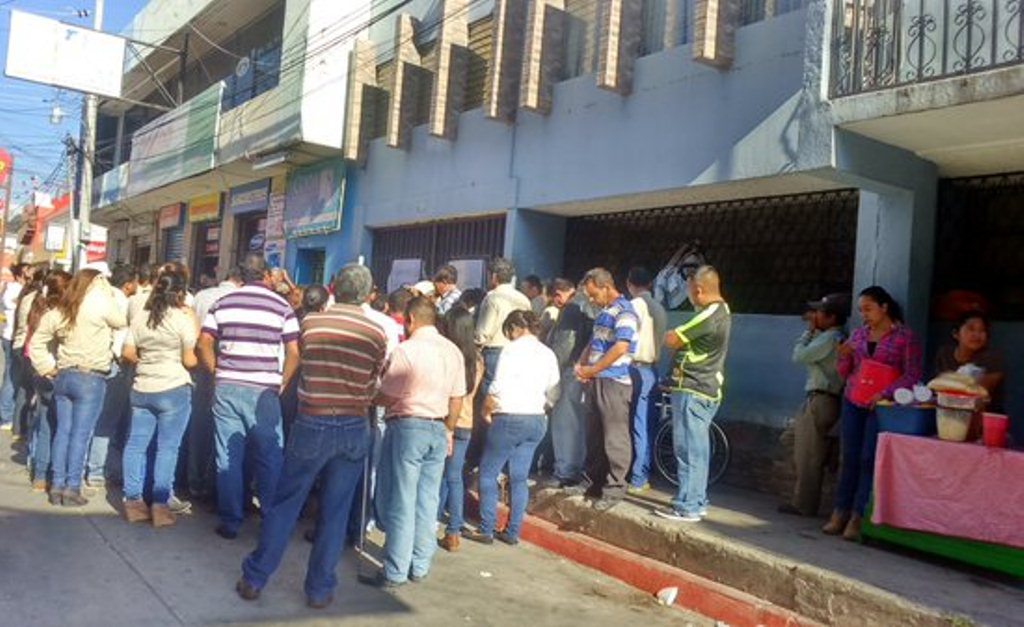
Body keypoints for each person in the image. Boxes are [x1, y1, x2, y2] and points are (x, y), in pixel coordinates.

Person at [236, 264, 387, 608]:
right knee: (335, 511)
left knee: (286, 504)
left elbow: (302, 361)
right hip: (353, 424)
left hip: (312, 420)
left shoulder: (312, 324)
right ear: (366, 295)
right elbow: (373, 381)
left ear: (335, 288)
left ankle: (255, 578)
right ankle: (319, 589)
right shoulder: (376, 333)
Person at [362, 296, 466, 589]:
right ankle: (419, 564)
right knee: (427, 500)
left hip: (408, 427)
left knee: (402, 501)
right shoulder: (453, 351)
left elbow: (389, 395)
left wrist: (369, 398)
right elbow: (457, 398)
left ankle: (395, 570)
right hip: (438, 427)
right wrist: (448, 429)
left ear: (410, 320)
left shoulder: (406, 350)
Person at [197, 253, 300, 539]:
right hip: (265, 390)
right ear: (265, 275)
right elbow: (294, 352)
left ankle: (231, 522)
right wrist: (282, 382)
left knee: (228, 456)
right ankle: (270, 521)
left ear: (242, 275)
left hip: (228, 386)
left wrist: (216, 372)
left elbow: (204, 343)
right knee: (269, 456)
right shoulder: (282, 306)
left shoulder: (224, 303)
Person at [824, 286, 921, 541]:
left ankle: (859, 515)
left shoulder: (905, 337)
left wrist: (886, 393)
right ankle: (840, 511)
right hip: (854, 399)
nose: (864, 315)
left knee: (869, 458)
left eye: (868, 309)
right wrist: (843, 356)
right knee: (850, 457)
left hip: (882, 406)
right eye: (861, 310)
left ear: (884, 307)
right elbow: (846, 372)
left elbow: (912, 374)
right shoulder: (858, 335)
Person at [28, 269, 127, 506]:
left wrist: (47, 367)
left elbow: (37, 342)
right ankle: (72, 487)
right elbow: (121, 320)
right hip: (91, 376)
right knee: (80, 435)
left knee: (63, 431)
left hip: (64, 375)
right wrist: (104, 290)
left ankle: (57, 485)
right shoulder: (99, 303)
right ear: (95, 283)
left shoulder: (62, 309)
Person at [466, 310, 559, 546]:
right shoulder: (548, 353)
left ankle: (486, 528)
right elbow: (554, 390)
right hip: (536, 418)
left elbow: (497, 386)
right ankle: (512, 531)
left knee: (488, 472)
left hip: (509, 416)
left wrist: (485, 411)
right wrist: (543, 407)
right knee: (519, 477)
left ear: (516, 328)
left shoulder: (510, 350)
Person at [120, 266, 198, 527]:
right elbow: (190, 360)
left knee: (135, 445)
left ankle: (133, 503)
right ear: (180, 293)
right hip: (173, 387)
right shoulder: (181, 319)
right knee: (168, 448)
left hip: (142, 387)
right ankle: (160, 507)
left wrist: (147, 361)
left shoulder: (141, 317)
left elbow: (127, 352)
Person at [655, 266, 732, 523]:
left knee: (688, 449)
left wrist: (669, 335)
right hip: (702, 388)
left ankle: (688, 505)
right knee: (696, 448)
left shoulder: (709, 314)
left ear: (699, 290)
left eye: (688, 290)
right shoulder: (721, 312)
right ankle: (696, 501)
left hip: (694, 388)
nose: (687, 296)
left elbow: (673, 339)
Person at [570, 268, 638, 512]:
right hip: (596, 379)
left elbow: (621, 347)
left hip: (614, 381)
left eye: (594, 294)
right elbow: (595, 341)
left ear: (606, 287)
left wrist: (593, 369)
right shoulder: (604, 313)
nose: (591, 299)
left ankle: (615, 487)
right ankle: (591, 482)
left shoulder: (625, 311)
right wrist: (582, 364)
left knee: (614, 437)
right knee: (594, 434)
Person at [779, 293, 848, 518]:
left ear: (831, 317)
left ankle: (804, 504)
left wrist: (808, 332)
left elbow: (799, 356)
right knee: (793, 440)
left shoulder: (830, 338)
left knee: (808, 455)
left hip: (822, 399)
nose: (814, 316)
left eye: (819, 313)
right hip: (818, 398)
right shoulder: (828, 337)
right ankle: (826, 457)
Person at [186, 266, 244, 502]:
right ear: (240, 282)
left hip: (202, 367)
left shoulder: (201, 296)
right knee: (224, 431)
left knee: (199, 423)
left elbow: (195, 334)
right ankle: (214, 485)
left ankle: (193, 480)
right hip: (228, 369)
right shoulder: (238, 299)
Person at [471, 258, 531, 465]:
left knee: (488, 403)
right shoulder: (524, 299)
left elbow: (483, 333)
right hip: (520, 352)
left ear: (494, 276)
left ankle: (484, 455)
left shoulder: (492, 297)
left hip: (495, 352)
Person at [86, 263, 137, 488]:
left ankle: (87, 467)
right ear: (128, 285)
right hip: (114, 365)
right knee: (106, 422)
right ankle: (96, 472)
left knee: (91, 418)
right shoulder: (123, 303)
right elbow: (121, 343)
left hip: (92, 363)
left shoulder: (97, 297)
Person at [437, 305, 483, 552]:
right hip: (466, 420)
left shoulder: (448, 355)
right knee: (452, 475)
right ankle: (452, 529)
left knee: (442, 475)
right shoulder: (477, 359)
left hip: (446, 419)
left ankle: (447, 526)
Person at [545, 278, 594, 488]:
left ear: (559, 294)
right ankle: (575, 467)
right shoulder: (587, 306)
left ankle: (565, 470)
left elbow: (564, 345)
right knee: (577, 422)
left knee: (565, 423)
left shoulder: (572, 308)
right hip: (583, 371)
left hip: (569, 370)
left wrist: (552, 372)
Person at [25, 270, 71, 491]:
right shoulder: (60, 314)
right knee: (61, 427)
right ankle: (55, 474)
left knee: (44, 425)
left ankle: (40, 476)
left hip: (40, 372)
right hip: (54, 372)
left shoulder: (38, 306)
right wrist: (51, 369)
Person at [625, 266, 668, 494]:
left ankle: (637, 477)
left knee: (636, 424)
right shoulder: (659, 308)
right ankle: (644, 472)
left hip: (636, 368)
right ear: (650, 283)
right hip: (652, 369)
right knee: (648, 424)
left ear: (629, 283)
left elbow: (626, 340)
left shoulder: (634, 306)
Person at [934, 311, 1005, 412]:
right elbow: (939, 386)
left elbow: (979, 391)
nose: (977, 335)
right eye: (971, 329)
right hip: (949, 413)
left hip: (984, 415)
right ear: (956, 334)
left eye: (982, 330)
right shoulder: (945, 354)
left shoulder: (993, 358)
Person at [9, 265, 45, 440]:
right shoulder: (39, 300)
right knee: (33, 392)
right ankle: (27, 430)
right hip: (29, 348)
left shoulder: (26, 296)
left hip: (21, 344)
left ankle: (18, 428)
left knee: (24, 389)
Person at [0, 263, 30, 431]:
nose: (29, 278)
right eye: (26, 274)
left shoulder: (10, 288)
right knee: (13, 376)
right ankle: (6, 415)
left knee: (11, 375)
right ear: (19, 276)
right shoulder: (16, 290)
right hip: (13, 337)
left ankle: (7, 413)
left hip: (8, 335)